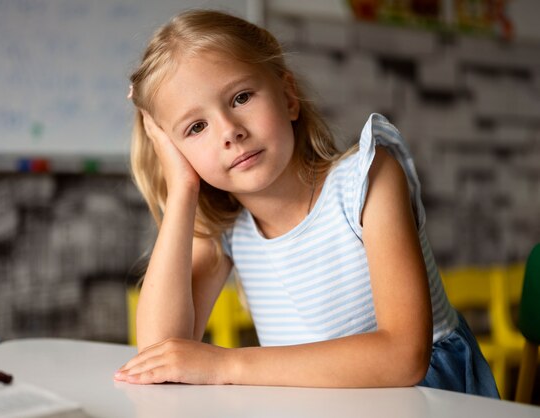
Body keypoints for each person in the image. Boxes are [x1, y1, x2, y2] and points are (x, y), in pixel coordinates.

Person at [113, 9, 499, 397]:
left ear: (288, 97)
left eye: (241, 97)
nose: (230, 132)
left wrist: (225, 364)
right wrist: (182, 189)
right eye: (195, 128)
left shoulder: (368, 180)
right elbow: (159, 354)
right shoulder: (228, 227)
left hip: (426, 399)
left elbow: (403, 356)